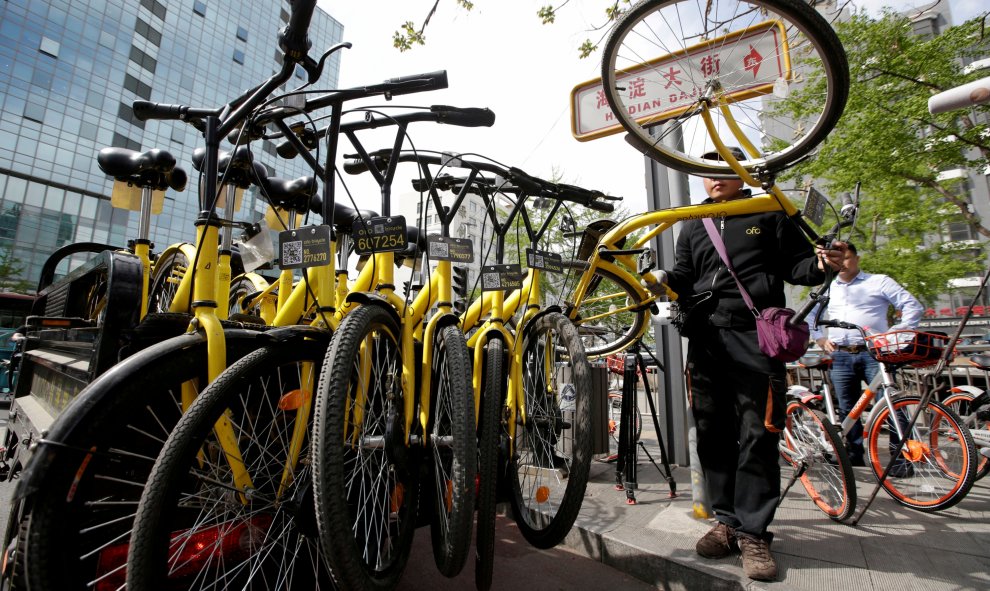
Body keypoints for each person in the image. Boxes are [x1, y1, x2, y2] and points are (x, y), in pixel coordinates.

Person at [659, 147, 846, 581]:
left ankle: (754, 533)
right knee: (711, 432)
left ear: (740, 174)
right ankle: (726, 521)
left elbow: (799, 266)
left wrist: (821, 264)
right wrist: (665, 279)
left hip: (755, 335)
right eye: (707, 173)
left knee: (759, 432)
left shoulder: (769, 211)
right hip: (705, 338)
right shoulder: (693, 223)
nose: (715, 178)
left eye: (724, 170)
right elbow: (684, 274)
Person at [809, 242, 924, 469]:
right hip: (841, 355)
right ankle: (853, 456)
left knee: (891, 405)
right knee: (847, 408)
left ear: (857, 258)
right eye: (837, 259)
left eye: (847, 257)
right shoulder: (827, 287)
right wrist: (820, 338)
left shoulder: (878, 281)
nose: (841, 263)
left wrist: (894, 334)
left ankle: (900, 459)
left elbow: (913, 306)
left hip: (876, 353)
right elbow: (809, 316)